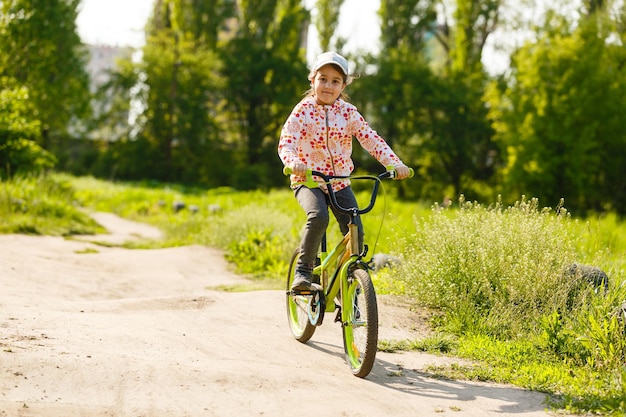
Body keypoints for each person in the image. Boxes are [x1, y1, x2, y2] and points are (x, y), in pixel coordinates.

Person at [278, 51, 410, 291]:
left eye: (335, 81)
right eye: (323, 79)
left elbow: (372, 140)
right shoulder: (302, 111)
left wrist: (394, 163)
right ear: (312, 80)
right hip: (308, 180)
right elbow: (287, 141)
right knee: (318, 217)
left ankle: (349, 280)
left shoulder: (348, 113)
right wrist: (293, 160)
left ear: (343, 85)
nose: (328, 85)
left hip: (339, 182)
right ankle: (304, 270)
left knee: (355, 226)